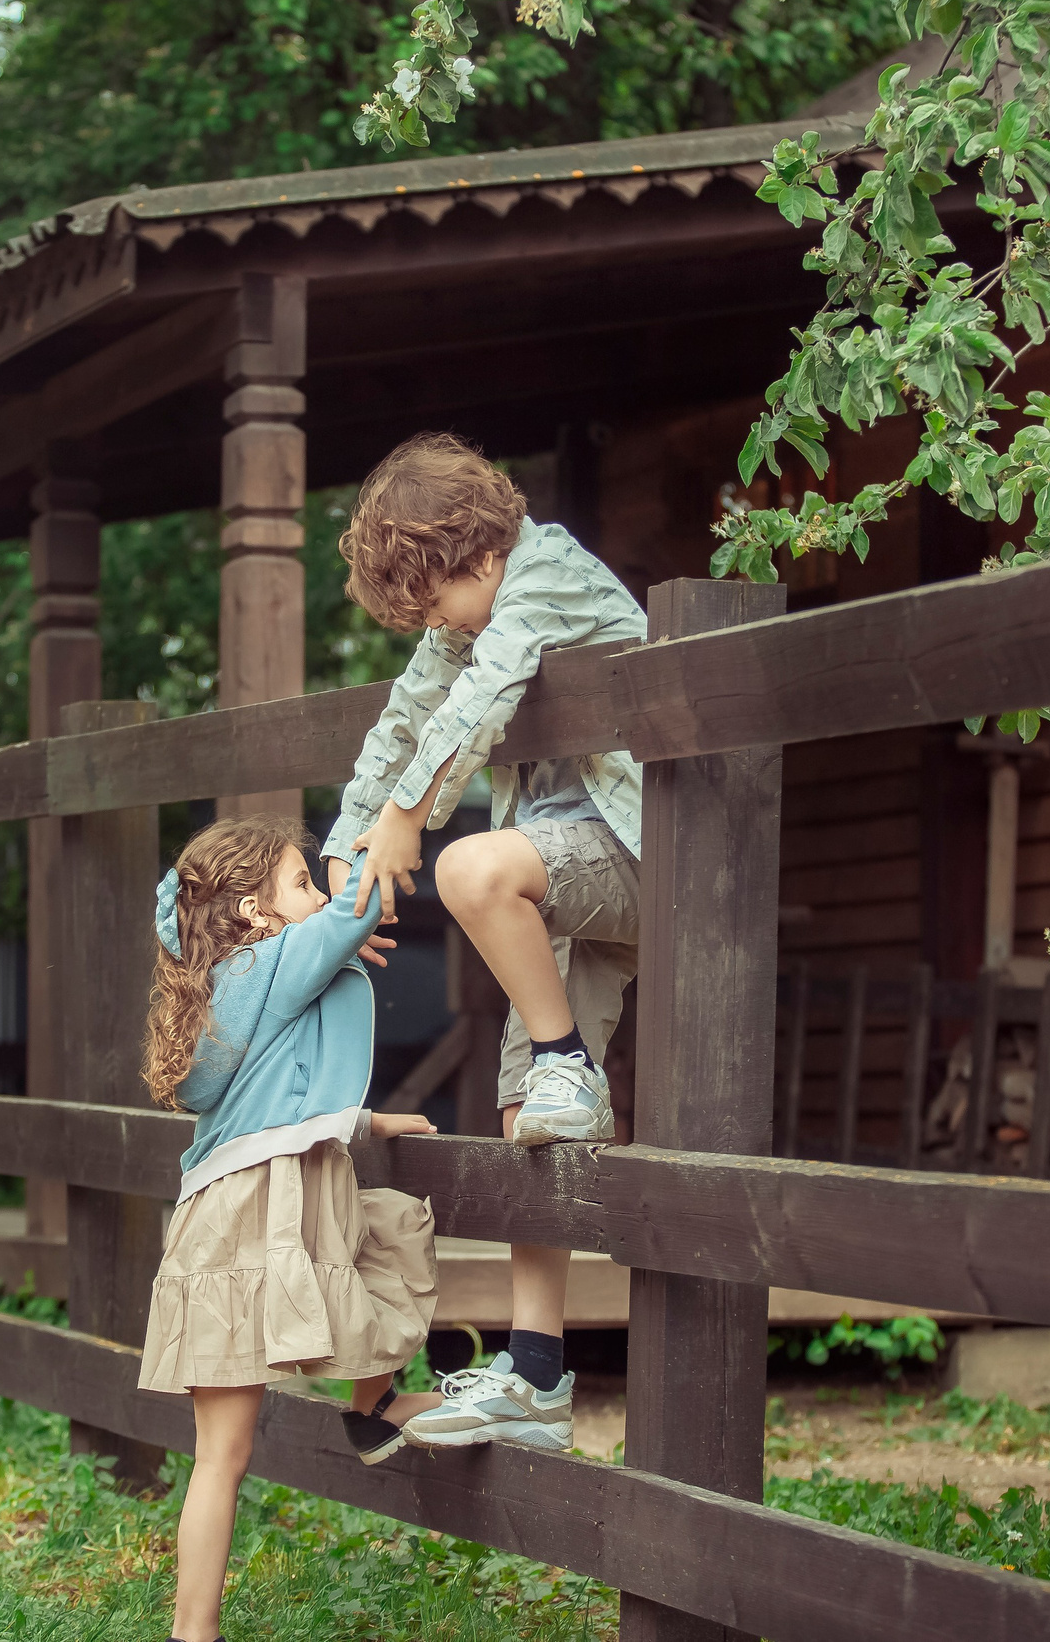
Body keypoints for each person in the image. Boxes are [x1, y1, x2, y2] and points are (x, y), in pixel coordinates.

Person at [321, 431, 649, 1453]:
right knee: (526, 1118)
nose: (436, 630)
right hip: (559, 873)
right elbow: (407, 716)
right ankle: (539, 1376)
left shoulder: (542, 574)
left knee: (470, 866)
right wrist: (345, 854)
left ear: (476, 557)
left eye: (434, 606)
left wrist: (413, 817)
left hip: (644, 851)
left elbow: (480, 694)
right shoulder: (468, 616)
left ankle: (566, 1061)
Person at [135, 816, 443, 1642]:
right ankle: (192, 1634)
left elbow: (275, 1090)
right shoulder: (268, 962)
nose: (317, 893)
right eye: (301, 882)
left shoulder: (245, 981)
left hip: (245, 1203)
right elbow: (356, 906)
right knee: (224, 1453)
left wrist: (369, 1121)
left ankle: (369, 1408)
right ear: (252, 910)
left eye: (316, 878)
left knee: (390, 1231)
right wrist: (392, 816)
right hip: (246, 1216)